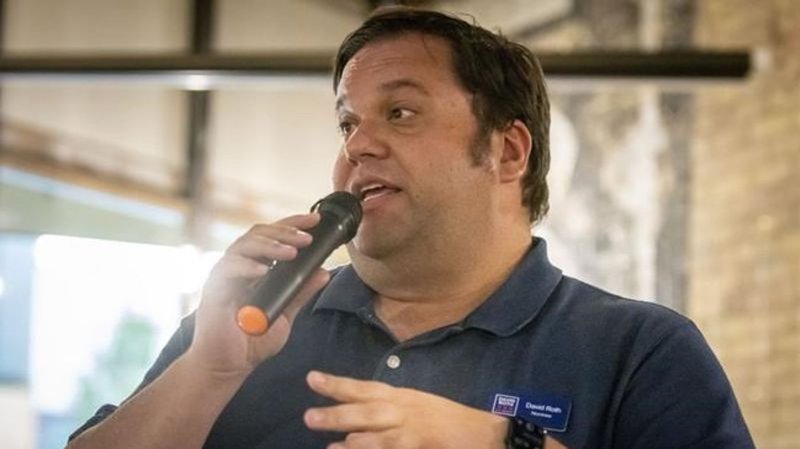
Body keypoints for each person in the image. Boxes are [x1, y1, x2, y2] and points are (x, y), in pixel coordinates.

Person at [67, 7, 754, 449]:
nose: (357, 146)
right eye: (348, 122)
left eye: (399, 113)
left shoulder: (641, 349)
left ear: (507, 152)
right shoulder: (243, 326)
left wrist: (503, 443)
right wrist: (209, 371)